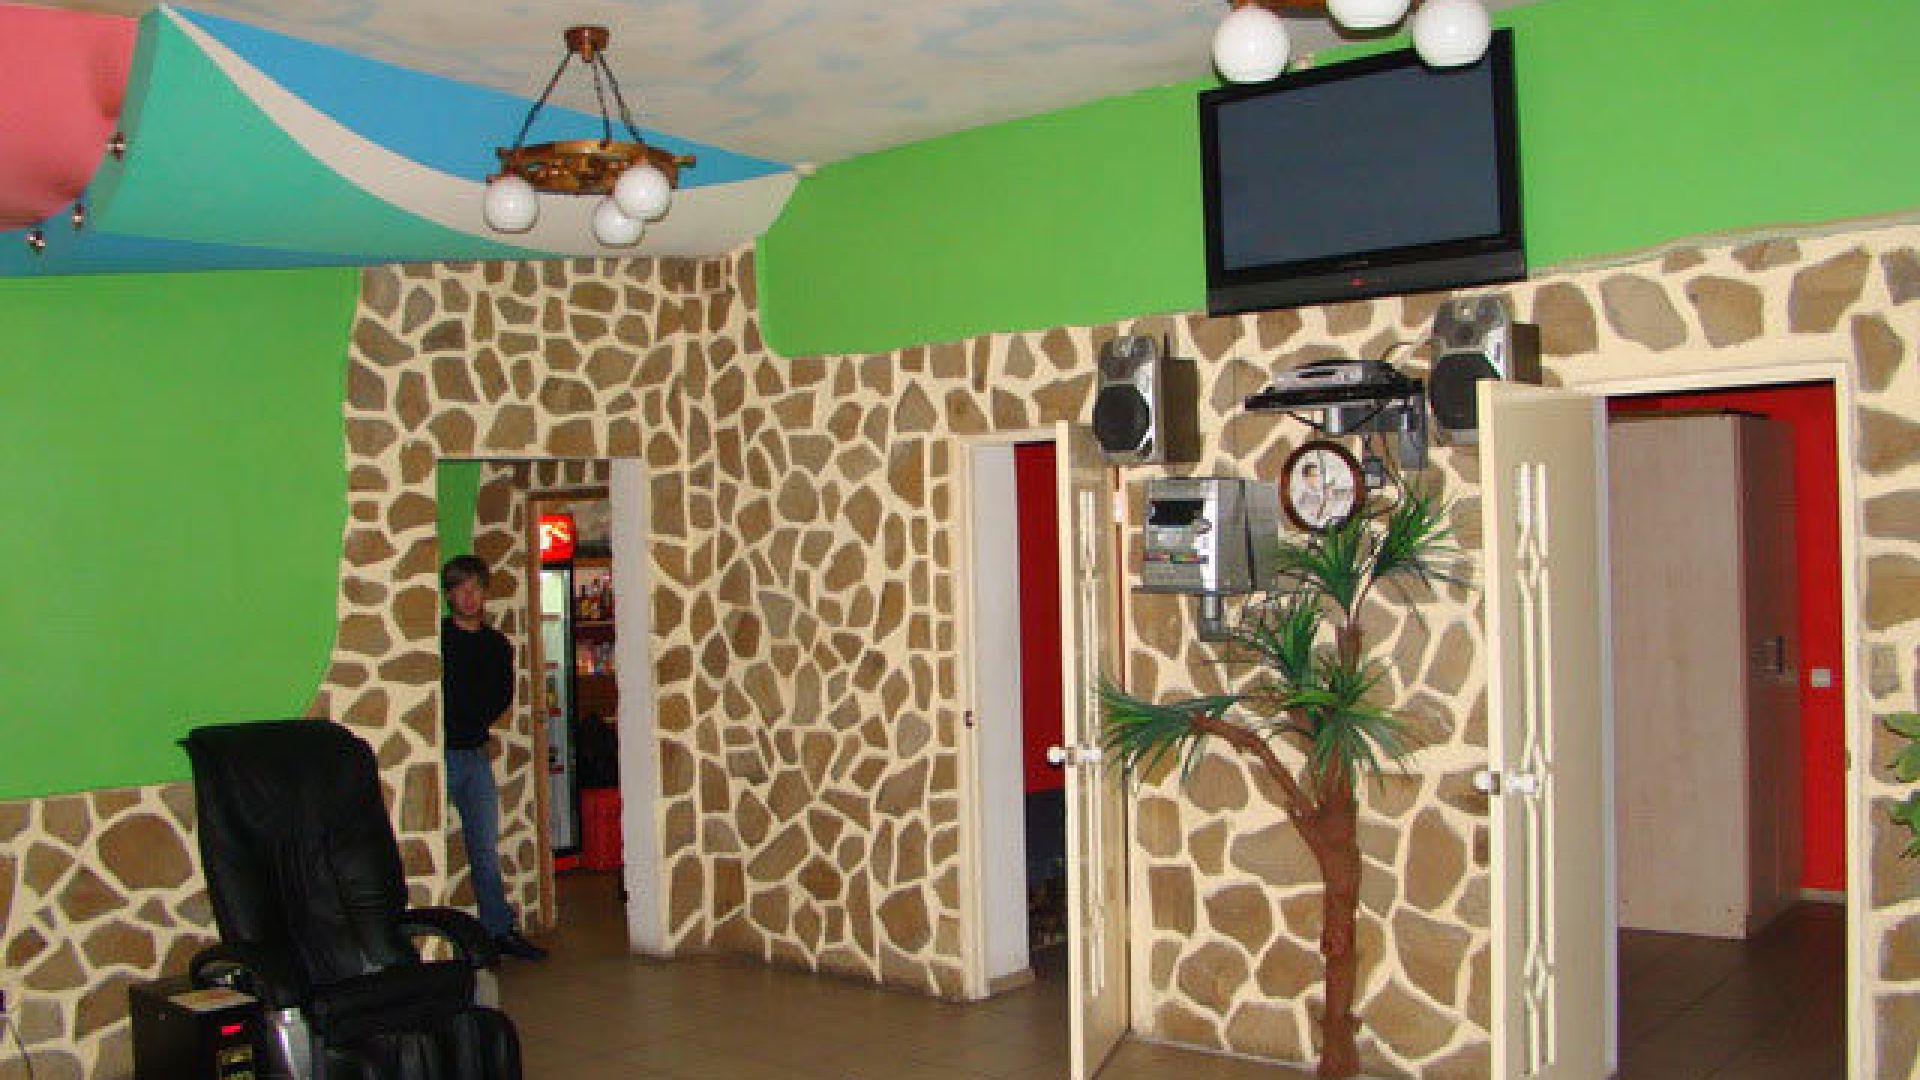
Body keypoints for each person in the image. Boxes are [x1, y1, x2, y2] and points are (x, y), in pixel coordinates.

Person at [441, 554, 548, 961]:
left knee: (484, 847)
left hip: (474, 753)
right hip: (442, 754)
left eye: (475, 588)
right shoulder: (438, 640)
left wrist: (470, 719)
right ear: (450, 595)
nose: (469, 597)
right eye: (461, 589)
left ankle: (498, 930)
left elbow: (500, 697)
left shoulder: (495, 645)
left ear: (484, 593)